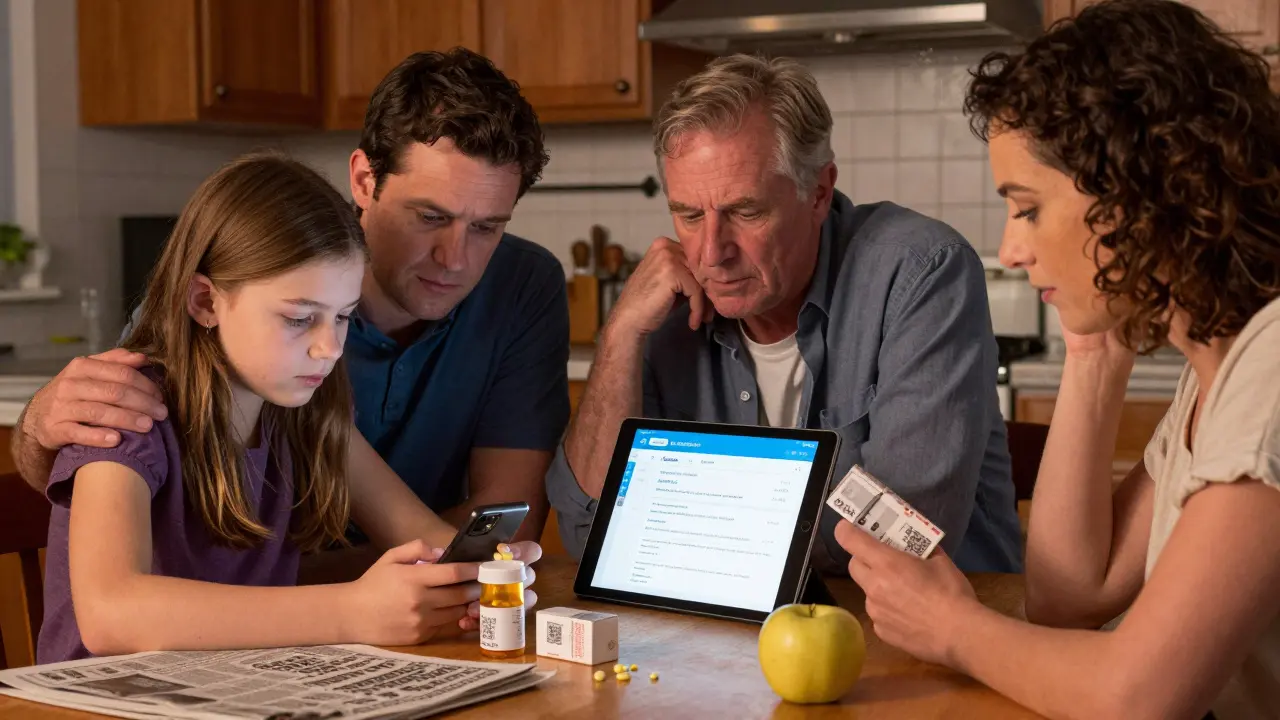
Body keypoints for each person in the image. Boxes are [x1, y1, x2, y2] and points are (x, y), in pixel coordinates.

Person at [835, 2, 1280, 718]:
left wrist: (953, 628)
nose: (1011, 249)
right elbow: (1071, 597)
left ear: (1137, 194)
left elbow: (1138, 695)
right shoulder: (1215, 383)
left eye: (1028, 208)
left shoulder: (1272, 371)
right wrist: (1093, 350)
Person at [10, 48, 568, 547]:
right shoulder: (237, 298)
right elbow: (100, 468)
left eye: (487, 228)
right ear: (365, 181)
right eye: (430, 217)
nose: (456, 259)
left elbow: (494, 523)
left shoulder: (319, 406)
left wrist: (401, 593)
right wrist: (40, 427)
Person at [38, 153, 541, 665]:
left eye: (342, 317)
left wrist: (483, 573)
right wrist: (350, 610)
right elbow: (110, 614)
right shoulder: (125, 413)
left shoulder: (303, 411)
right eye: (300, 319)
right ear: (206, 302)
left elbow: (424, 537)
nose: (331, 348)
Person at [547, 54, 1024, 573]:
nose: (711, 253)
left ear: (818, 193)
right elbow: (588, 533)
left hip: (932, 637)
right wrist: (619, 334)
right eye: (688, 215)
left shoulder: (920, 272)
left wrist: (676, 529)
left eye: (746, 212)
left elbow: (900, 542)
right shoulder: (662, 308)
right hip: (728, 639)